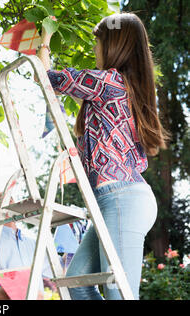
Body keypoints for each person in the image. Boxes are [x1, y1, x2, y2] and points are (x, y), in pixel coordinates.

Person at [36, 13, 168, 300]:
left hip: (122, 200)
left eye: (98, 42)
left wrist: (45, 40)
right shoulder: (116, 88)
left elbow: (46, 80)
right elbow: (64, 90)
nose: (95, 49)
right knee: (75, 283)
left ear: (113, 45)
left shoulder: (107, 82)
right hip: (113, 203)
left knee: (118, 292)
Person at [0, 192, 53, 300]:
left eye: (11, 198)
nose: (8, 198)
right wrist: (15, 293)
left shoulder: (35, 245)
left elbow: (61, 270)